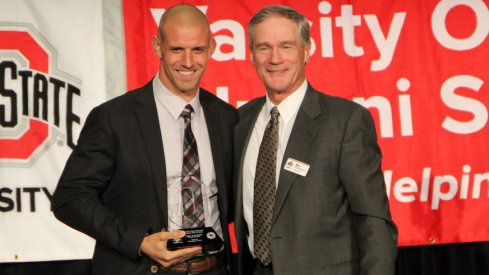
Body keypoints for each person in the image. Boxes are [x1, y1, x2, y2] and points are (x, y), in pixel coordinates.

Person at [52, 4, 237, 275]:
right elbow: (70, 198)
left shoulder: (226, 117)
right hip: (139, 269)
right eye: (176, 49)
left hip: (214, 269)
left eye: (197, 49)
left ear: (211, 47)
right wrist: (139, 241)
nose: (188, 62)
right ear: (157, 46)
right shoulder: (113, 118)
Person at [233, 5, 398, 275]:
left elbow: (373, 222)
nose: (275, 58)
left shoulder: (345, 121)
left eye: (286, 46)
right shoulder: (239, 121)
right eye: (264, 47)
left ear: (306, 50)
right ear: (251, 55)